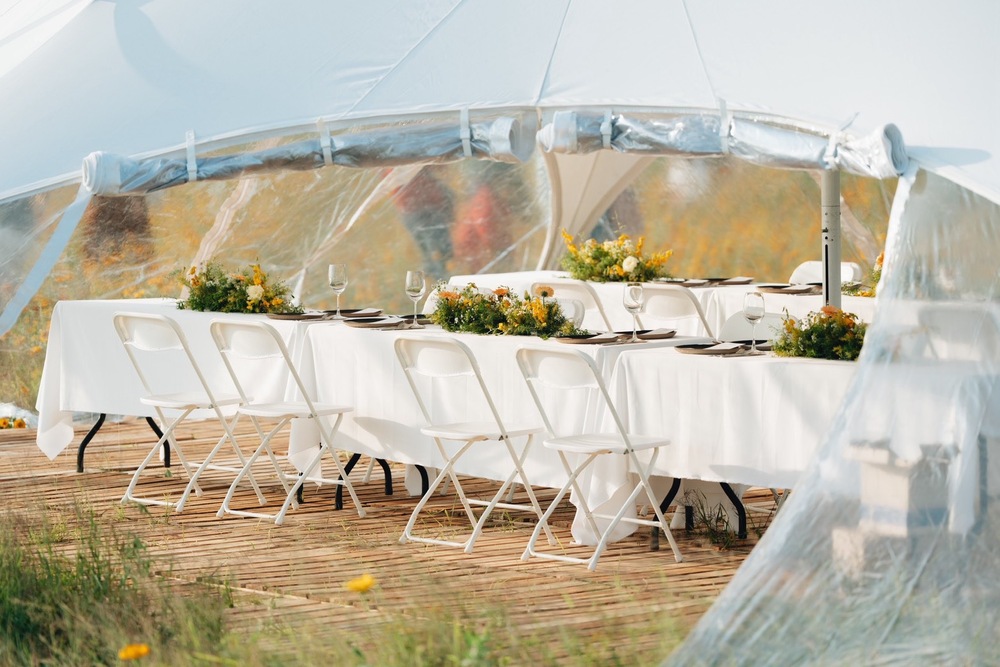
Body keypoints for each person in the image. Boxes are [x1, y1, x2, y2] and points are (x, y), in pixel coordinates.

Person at [393, 167, 454, 280]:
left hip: (421, 206)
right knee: (436, 256)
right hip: (422, 208)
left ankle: (438, 281)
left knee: (437, 256)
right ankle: (438, 282)